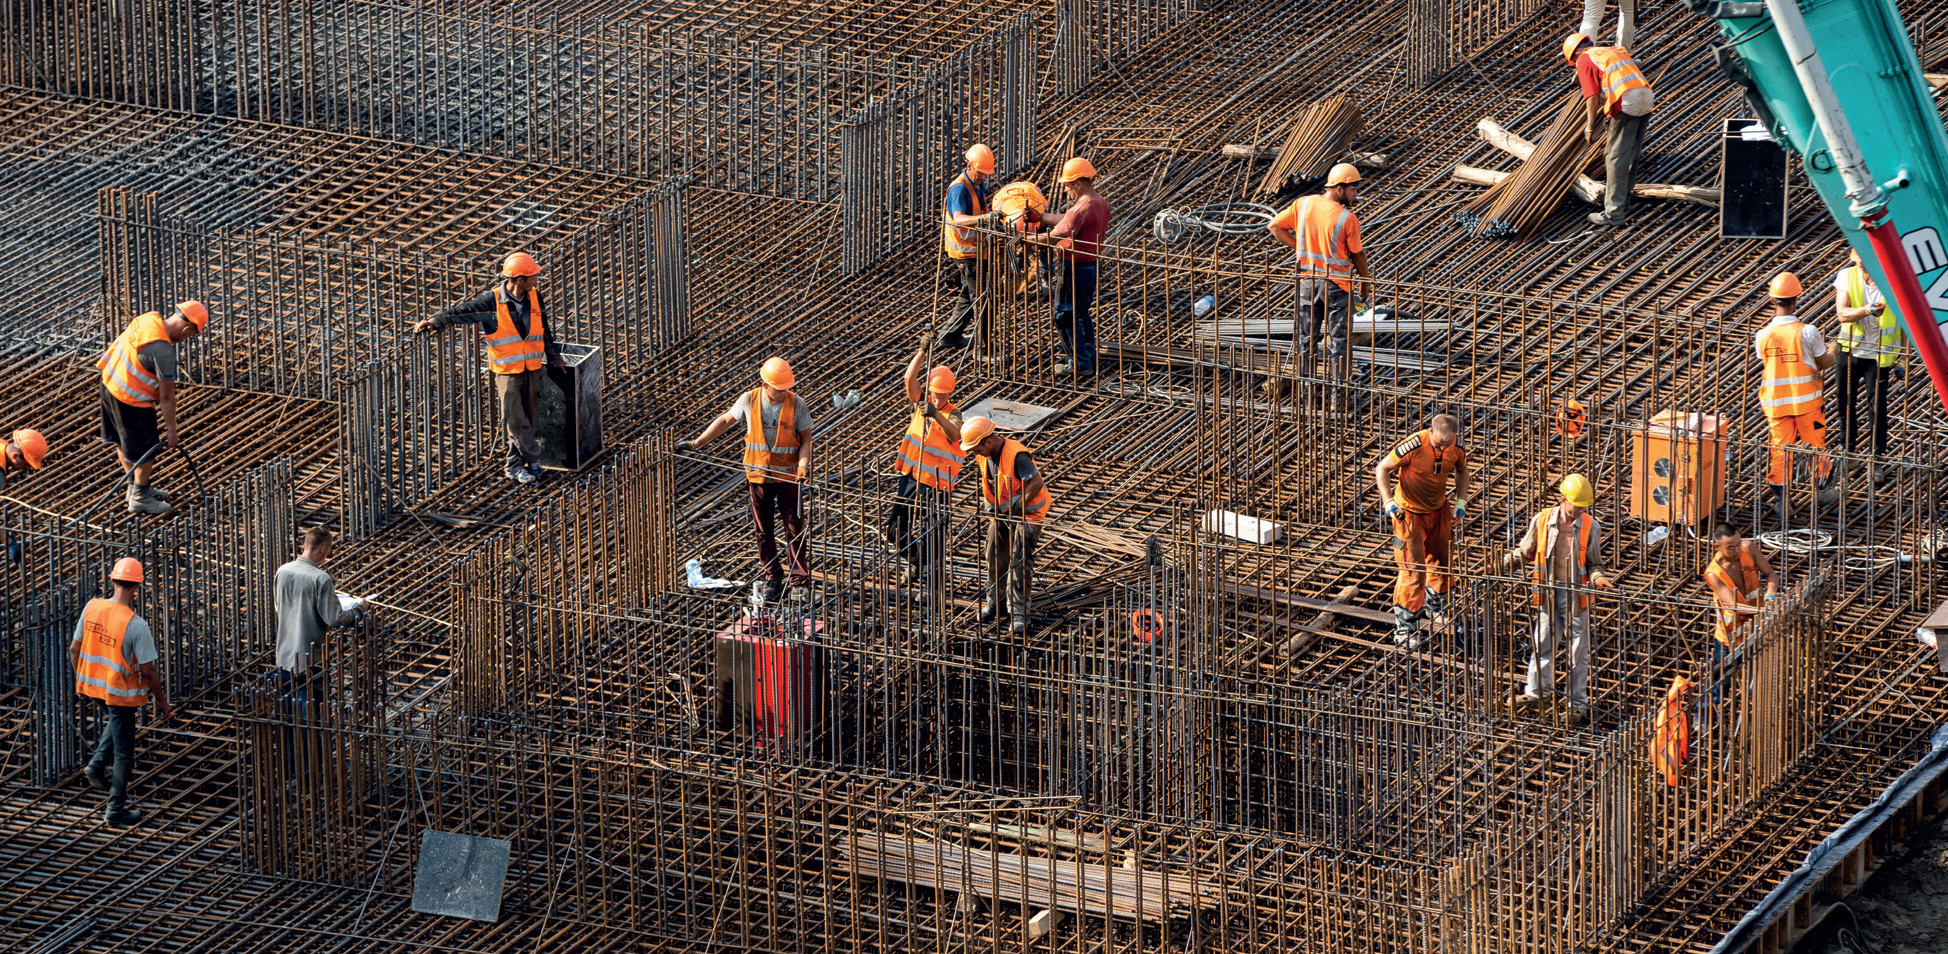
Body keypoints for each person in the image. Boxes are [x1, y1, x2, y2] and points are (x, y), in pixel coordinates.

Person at [412, 252, 563, 485]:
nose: (536, 279)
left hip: (531, 367)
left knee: (528, 418)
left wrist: (554, 358)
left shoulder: (535, 297)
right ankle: (532, 458)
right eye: (532, 276)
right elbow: (462, 312)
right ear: (519, 279)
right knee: (516, 420)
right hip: (506, 371)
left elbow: (544, 330)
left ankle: (514, 466)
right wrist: (435, 320)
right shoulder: (491, 301)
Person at [679, 358, 814, 603]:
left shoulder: (797, 404)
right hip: (758, 478)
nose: (783, 392)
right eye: (778, 388)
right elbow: (724, 421)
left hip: (789, 478)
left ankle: (799, 581)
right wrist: (697, 443)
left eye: (786, 387)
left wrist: (803, 465)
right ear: (765, 383)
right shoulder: (748, 400)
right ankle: (773, 577)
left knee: (794, 530)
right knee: (763, 531)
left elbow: (806, 439)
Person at [1498, 474, 1615, 725]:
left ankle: (1577, 704)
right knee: (1542, 645)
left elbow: (1595, 565)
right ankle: (1537, 693)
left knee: (1577, 653)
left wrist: (1598, 579)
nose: (1581, 510)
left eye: (1585, 506)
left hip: (1576, 596)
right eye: (1577, 506)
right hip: (1548, 593)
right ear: (1563, 499)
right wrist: (1496, 566)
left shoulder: (1590, 526)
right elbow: (1525, 553)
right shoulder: (1542, 521)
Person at [71, 558, 172, 826]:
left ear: (112, 579)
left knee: (116, 725)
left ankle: (96, 763)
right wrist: (162, 703)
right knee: (125, 751)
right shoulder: (135, 624)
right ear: (138, 586)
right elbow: (149, 671)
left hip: (92, 686)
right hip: (119, 693)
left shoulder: (92, 606)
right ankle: (115, 809)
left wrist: (79, 680)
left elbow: (74, 649)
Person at [99, 301, 208, 514]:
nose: (187, 338)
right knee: (145, 452)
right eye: (191, 334)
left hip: (108, 384)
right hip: (131, 400)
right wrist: (172, 431)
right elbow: (167, 398)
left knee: (123, 443)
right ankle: (139, 497)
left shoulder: (148, 319)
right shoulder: (163, 352)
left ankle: (136, 488)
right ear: (187, 328)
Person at [1268, 163, 1373, 383]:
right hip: (1336, 285)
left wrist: (1297, 246)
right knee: (1339, 341)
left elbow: (1275, 227)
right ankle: (1339, 397)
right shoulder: (1347, 218)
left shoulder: (1303, 204)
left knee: (1306, 339)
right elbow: (1358, 255)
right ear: (1339, 189)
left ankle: (1306, 393)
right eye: (1354, 190)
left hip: (1307, 282)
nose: (1356, 195)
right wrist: (1365, 283)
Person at [1374, 414, 1470, 649]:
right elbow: (1382, 468)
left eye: (1447, 444)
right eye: (1438, 443)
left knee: (1442, 564)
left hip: (1439, 512)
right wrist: (1388, 503)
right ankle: (1405, 628)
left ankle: (1437, 608)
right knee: (1412, 572)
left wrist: (1460, 504)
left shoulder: (1456, 447)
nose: (1442, 447)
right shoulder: (1414, 445)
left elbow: (1462, 471)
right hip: (1408, 514)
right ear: (1431, 432)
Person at [1754, 272, 1840, 521]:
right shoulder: (1807, 331)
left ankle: (1783, 503)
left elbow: (1769, 362)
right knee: (1816, 446)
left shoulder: (1762, 335)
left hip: (1776, 406)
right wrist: (1834, 348)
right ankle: (1823, 492)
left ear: (1773, 300)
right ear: (1796, 300)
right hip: (1807, 404)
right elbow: (1823, 362)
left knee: (1780, 451)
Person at [959, 416, 1049, 638]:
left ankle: (1019, 614)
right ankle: (995, 603)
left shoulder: (1016, 455)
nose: (973, 453)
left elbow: (1036, 483)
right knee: (993, 554)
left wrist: (1017, 506)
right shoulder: (985, 454)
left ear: (987, 441)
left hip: (1027, 513)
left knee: (1019, 560)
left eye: (975, 447)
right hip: (1001, 513)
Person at [884, 346, 964, 589]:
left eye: (942, 395)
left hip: (937, 484)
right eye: (935, 394)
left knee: (934, 535)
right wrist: (921, 351)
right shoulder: (921, 402)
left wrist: (936, 414)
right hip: (911, 478)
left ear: (949, 393)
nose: (938, 399)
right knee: (894, 530)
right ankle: (916, 560)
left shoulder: (953, 413)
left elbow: (956, 433)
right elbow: (909, 379)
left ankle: (932, 583)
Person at [1831, 248, 1907, 483]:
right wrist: (1866, 311)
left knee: (1876, 408)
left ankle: (1876, 457)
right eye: (1857, 261)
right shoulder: (1847, 275)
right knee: (1845, 401)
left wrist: (1903, 357)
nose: (1861, 265)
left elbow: (1905, 320)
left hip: (1881, 354)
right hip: (1851, 349)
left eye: (1864, 261)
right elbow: (1841, 314)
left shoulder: (1892, 280)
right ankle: (1849, 452)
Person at [1563, 32, 1654, 227]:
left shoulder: (1585, 59)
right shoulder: (1611, 51)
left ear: (1576, 52)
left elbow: (1591, 96)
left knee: (1614, 158)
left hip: (1625, 101)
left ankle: (1613, 213)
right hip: (1646, 97)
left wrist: (1590, 125)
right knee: (1631, 153)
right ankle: (1624, 201)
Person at [1029, 158, 1110, 375]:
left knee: (1063, 315)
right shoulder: (1099, 202)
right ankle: (1089, 358)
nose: (1066, 190)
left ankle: (1078, 363)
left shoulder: (1080, 208)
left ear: (1078, 183)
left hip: (1072, 268)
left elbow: (1053, 237)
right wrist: (1042, 217)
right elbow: (1068, 220)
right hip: (1091, 266)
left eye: (1067, 185)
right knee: (1082, 313)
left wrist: (1024, 238)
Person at [274, 527, 364, 676]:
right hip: (309, 660)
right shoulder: (320, 578)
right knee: (311, 698)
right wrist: (360, 609)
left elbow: (280, 608)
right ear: (323, 549)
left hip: (283, 657)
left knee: (287, 698)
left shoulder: (282, 571)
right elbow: (335, 619)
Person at [1703, 523, 1780, 684]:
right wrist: (1765, 612)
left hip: (1756, 628)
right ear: (1717, 546)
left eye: (1738, 543)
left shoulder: (1749, 549)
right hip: (1730, 636)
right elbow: (1734, 607)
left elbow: (1770, 573)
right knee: (1719, 684)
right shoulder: (1713, 573)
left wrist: (1771, 593)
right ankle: (1703, 709)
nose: (1737, 549)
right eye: (1730, 547)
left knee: (1757, 682)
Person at [938, 144, 997, 350]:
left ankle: (949, 335)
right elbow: (959, 219)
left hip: (977, 251)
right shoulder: (959, 188)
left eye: (986, 173)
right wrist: (987, 217)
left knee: (968, 296)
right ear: (970, 165)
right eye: (981, 172)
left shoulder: (977, 185)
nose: (984, 177)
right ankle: (985, 348)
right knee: (983, 299)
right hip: (966, 253)